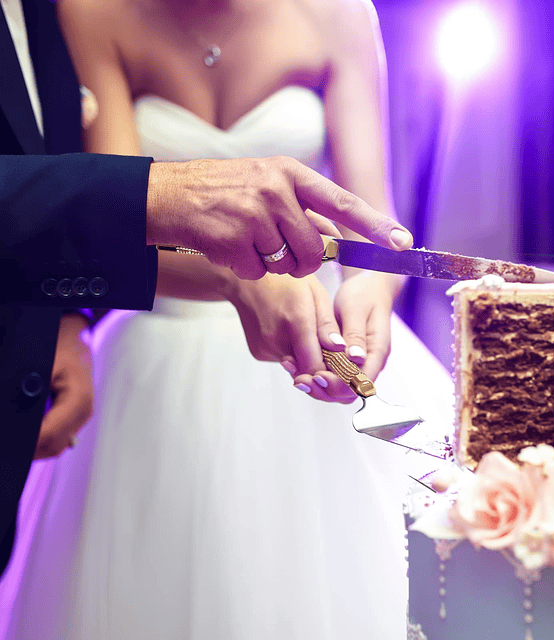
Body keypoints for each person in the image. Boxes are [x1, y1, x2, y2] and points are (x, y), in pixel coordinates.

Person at [0, 0, 454, 638]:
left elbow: (372, 223)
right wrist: (241, 279)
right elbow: (114, 222)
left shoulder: (341, 14)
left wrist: (368, 302)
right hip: (155, 348)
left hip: (316, 328)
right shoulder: (90, 13)